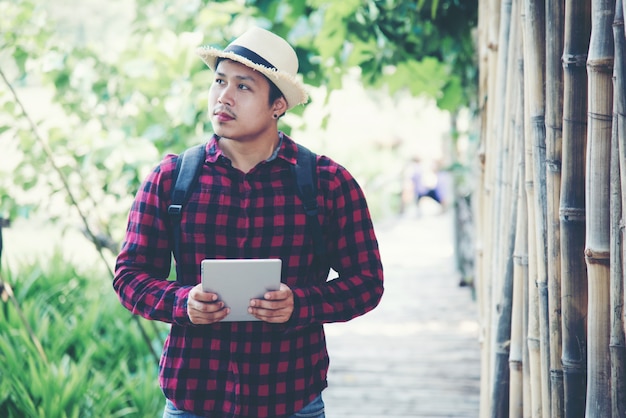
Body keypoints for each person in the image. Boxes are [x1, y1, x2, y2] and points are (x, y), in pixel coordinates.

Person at [113, 26, 384, 418]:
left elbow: (368, 282)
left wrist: (301, 303)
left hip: (291, 396)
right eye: (219, 81)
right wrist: (181, 301)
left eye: (243, 87)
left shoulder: (326, 183)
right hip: (193, 397)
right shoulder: (172, 178)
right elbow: (129, 276)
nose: (223, 96)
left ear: (278, 105)